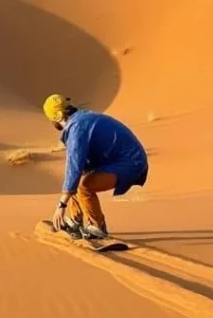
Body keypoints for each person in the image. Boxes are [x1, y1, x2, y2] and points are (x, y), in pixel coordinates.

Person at [43, 94, 148, 239]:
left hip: (130, 163)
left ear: (55, 117)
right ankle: (76, 220)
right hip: (122, 160)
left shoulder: (76, 128)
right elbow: (77, 169)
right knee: (78, 179)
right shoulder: (80, 119)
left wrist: (61, 205)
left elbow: (74, 167)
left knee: (84, 185)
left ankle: (97, 228)